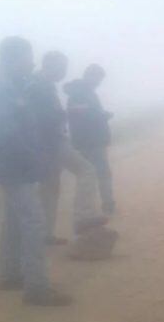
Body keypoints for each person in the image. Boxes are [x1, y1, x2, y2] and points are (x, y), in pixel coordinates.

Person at [0, 37, 71, 306]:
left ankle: (9, 275)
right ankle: (37, 288)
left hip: (9, 164)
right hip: (14, 165)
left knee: (14, 219)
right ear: (13, 58)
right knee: (33, 221)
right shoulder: (1, 88)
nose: (32, 63)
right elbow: (5, 132)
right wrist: (33, 158)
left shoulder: (6, 84)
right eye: (28, 58)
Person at [27, 51, 108, 244]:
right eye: (61, 67)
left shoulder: (41, 85)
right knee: (87, 170)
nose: (64, 72)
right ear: (49, 65)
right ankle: (83, 217)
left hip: (44, 143)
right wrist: (66, 114)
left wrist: (65, 113)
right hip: (52, 141)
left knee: (50, 187)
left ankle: (45, 235)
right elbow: (42, 118)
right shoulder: (39, 87)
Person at [64, 64, 115, 215]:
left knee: (94, 174)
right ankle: (99, 207)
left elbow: (85, 113)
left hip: (89, 140)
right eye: (97, 78)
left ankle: (100, 206)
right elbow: (83, 117)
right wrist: (103, 116)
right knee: (97, 174)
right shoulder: (80, 93)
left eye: (100, 79)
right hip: (90, 140)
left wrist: (101, 115)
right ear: (88, 75)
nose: (98, 82)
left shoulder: (85, 92)